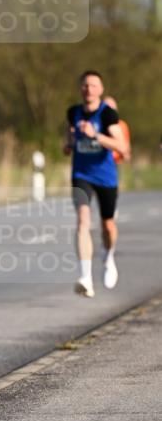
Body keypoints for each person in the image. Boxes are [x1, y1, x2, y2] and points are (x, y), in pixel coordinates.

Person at [64, 71, 127, 297]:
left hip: (106, 177)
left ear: (100, 90)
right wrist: (69, 144)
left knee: (107, 226)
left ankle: (108, 256)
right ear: (80, 89)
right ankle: (85, 278)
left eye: (93, 85)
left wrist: (96, 135)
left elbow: (122, 147)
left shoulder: (108, 114)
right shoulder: (74, 113)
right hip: (81, 175)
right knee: (83, 221)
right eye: (84, 85)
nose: (88, 89)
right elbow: (69, 136)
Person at [102, 95, 131, 166]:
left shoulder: (122, 125)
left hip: (116, 162)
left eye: (112, 108)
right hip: (99, 161)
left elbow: (126, 144)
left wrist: (126, 154)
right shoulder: (96, 124)